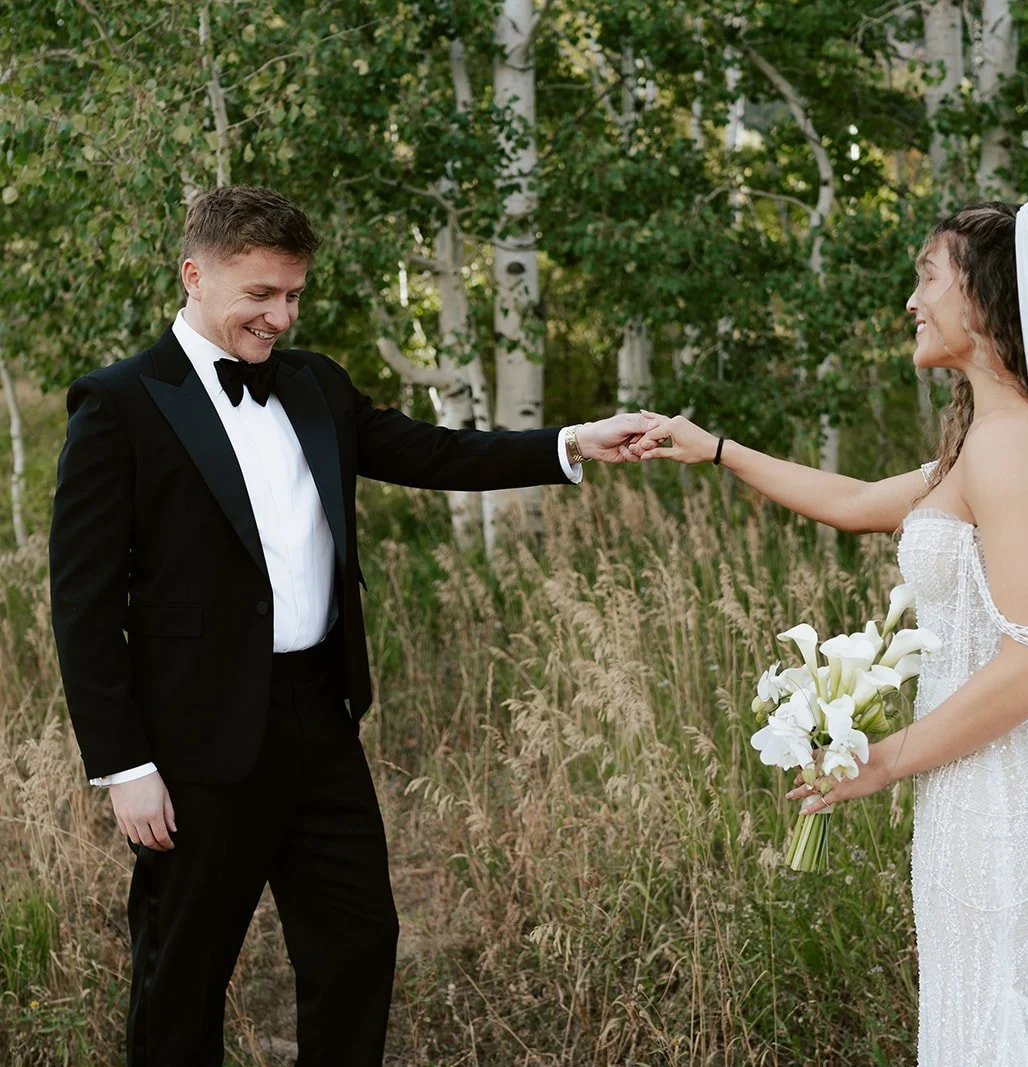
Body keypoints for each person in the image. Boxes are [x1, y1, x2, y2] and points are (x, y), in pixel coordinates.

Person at [48, 185, 652, 1066]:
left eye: (293, 295)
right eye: (260, 295)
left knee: (359, 946)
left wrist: (569, 442)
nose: (280, 317)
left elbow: (434, 451)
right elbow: (83, 600)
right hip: (196, 739)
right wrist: (124, 765)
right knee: (181, 973)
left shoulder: (316, 384)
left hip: (319, 716)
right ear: (194, 275)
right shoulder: (119, 404)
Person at [635, 201, 1028, 1065]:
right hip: (973, 785)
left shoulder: (1013, 447)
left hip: (1010, 795)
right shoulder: (988, 441)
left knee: (1014, 1017)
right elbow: (852, 503)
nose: (911, 301)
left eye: (928, 277)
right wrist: (718, 448)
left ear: (987, 297)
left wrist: (882, 759)